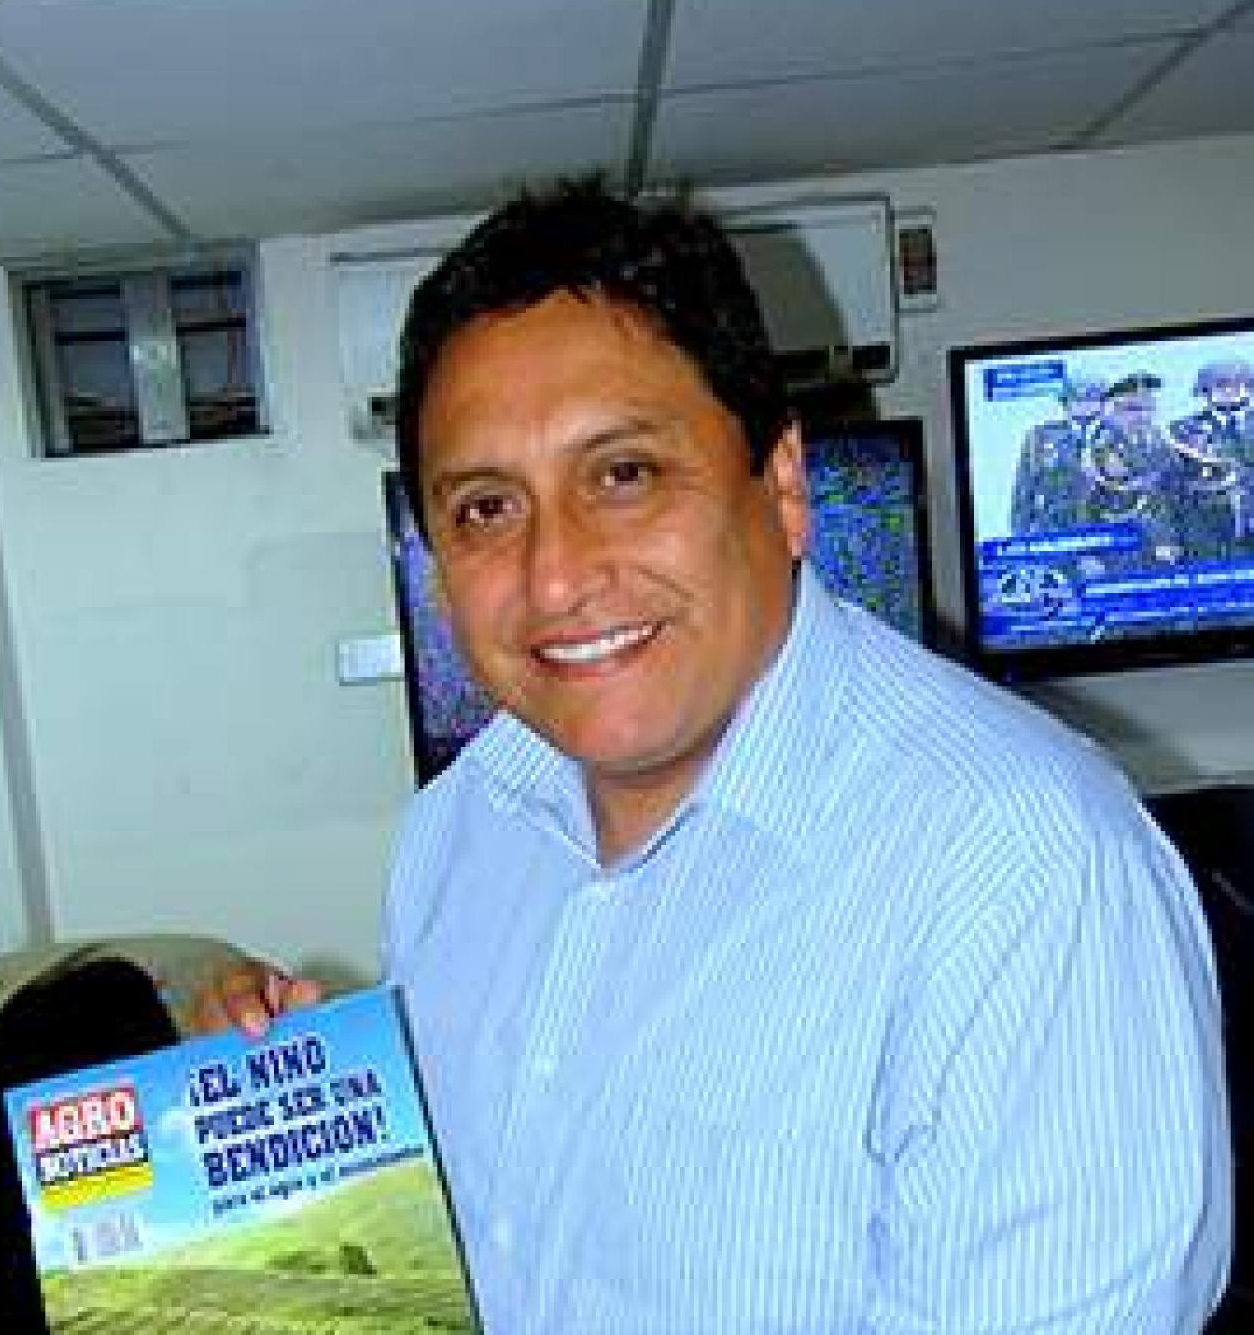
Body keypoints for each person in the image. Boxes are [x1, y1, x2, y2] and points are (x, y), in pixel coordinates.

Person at [196, 179, 1230, 1332]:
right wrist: (283, 1131)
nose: (554, 575)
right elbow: (478, 1247)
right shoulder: (457, 827)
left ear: (780, 485)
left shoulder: (1021, 863)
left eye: (622, 474)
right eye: (485, 507)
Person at [1085, 371, 1184, 571]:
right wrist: (1089, 553)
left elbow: (1174, 495)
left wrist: (1172, 540)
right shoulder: (1101, 446)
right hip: (1121, 545)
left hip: (1167, 546)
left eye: (1148, 408)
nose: (1142, 416)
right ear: (1116, 409)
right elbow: (1088, 502)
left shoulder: (1165, 442)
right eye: (1133, 409)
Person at [1169, 358, 1254, 561]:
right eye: (1221, 384)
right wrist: (1169, 537)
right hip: (1205, 534)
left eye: (1238, 383)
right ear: (1205, 391)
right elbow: (1169, 488)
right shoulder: (1182, 431)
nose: (1230, 390)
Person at [1008, 372, 1106, 535]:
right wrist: (1020, 537)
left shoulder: (1115, 436)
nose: (1085, 404)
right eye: (1078, 398)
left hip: (1106, 533)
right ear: (1065, 402)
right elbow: (1024, 492)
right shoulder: (1041, 437)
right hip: (1055, 533)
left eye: (1092, 397)